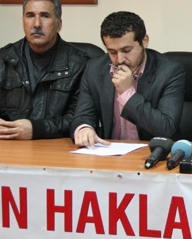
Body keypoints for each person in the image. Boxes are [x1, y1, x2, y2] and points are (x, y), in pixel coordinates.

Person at [0, 0, 89, 140]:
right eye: (30, 16)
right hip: (8, 146)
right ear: (23, 22)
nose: (36, 24)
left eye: (45, 16)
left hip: (55, 147)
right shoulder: (3, 60)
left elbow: (81, 120)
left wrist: (37, 129)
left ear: (59, 24)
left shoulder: (80, 64)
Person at [70, 11, 185, 146]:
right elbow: (83, 115)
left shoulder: (169, 71)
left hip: (153, 151)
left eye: (126, 50)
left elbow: (166, 128)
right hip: (110, 150)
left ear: (144, 41)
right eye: (112, 52)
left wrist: (127, 93)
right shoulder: (94, 69)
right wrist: (84, 128)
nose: (119, 59)